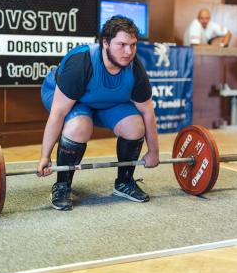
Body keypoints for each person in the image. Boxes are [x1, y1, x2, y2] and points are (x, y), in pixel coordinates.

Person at [37, 15, 160, 211]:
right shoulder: (81, 63)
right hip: (66, 97)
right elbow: (58, 114)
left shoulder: (136, 69)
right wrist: (45, 156)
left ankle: (124, 182)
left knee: (135, 126)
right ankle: (62, 185)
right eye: (122, 45)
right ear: (105, 42)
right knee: (80, 126)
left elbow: (148, 113)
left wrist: (153, 152)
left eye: (133, 45)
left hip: (106, 102)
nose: (129, 52)